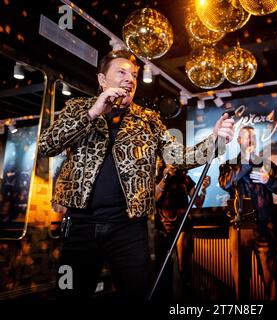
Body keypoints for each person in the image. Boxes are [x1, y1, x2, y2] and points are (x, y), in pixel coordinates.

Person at [37, 49, 234, 300]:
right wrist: (94, 112)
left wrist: (214, 140)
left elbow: (179, 157)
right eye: (121, 72)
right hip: (80, 226)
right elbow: (47, 145)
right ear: (101, 79)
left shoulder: (148, 120)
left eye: (134, 75)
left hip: (128, 228)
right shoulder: (78, 108)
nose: (130, 79)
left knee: (137, 295)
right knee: (70, 294)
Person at [218, 126, 277, 300]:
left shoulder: (267, 164)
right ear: (239, 141)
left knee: (271, 276)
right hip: (240, 227)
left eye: (253, 137)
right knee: (240, 278)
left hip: (264, 225)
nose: (251, 140)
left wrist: (268, 180)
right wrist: (245, 162)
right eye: (246, 137)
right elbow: (225, 184)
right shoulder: (229, 164)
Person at [153, 157, 210, 300]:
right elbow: (154, 198)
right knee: (162, 270)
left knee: (184, 269)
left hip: (182, 228)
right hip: (162, 228)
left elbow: (198, 203)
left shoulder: (185, 179)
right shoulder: (158, 177)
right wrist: (165, 178)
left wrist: (203, 190)